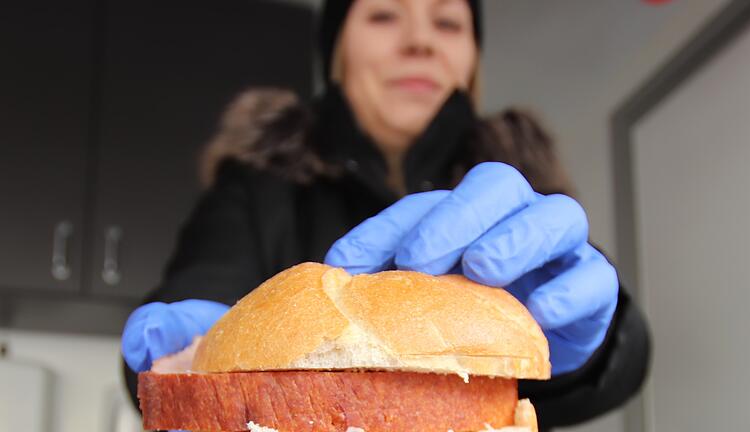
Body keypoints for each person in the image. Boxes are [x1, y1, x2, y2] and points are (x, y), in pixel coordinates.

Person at [121, 0, 650, 430]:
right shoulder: (259, 182)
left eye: (447, 21)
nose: (420, 40)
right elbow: (178, 327)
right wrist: (207, 361)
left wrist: (600, 339)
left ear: (470, 59)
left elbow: (619, 373)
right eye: (383, 15)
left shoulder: (518, 182)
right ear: (337, 53)